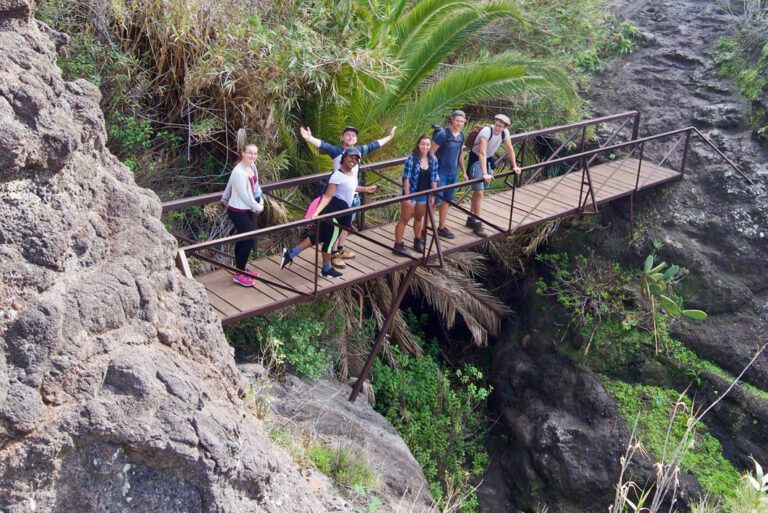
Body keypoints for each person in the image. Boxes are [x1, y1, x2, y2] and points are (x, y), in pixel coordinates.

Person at [299, 124, 396, 268]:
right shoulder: (337, 152)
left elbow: (374, 145)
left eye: (354, 135)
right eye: (348, 135)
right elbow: (323, 145)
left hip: (353, 196)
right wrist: (310, 138)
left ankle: (339, 249)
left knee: (346, 225)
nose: (351, 137)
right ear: (342, 138)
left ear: (356, 139)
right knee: (335, 227)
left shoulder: (359, 151)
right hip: (338, 197)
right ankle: (332, 255)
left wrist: (389, 137)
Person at [280, 148, 378, 278]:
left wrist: (365, 189)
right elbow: (327, 196)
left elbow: (349, 187)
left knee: (319, 237)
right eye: (351, 157)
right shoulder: (337, 175)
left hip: (343, 211)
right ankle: (326, 270)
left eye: (356, 159)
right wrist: (316, 213)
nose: (353, 161)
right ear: (344, 158)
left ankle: (290, 254)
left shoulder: (351, 174)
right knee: (330, 242)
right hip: (335, 212)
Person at [466, 113, 521, 237]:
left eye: (501, 126)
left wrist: (514, 166)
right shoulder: (486, 131)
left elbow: (510, 149)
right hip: (476, 160)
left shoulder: (504, 133)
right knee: (479, 191)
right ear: (494, 123)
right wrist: (484, 173)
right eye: (496, 124)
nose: (497, 128)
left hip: (488, 160)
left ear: (505, 127)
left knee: (479, 191)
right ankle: (478, 222)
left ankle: (471, 217)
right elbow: (481, 152)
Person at [221, 143, 264, 287]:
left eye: (255, 154)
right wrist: (257, 207)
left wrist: (260, 201)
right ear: (243, 153)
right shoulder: (238, 172)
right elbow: (244, 195)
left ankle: (240, 268)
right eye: (250, 153)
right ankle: (239, 273)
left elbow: (256, 187)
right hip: (238, 210)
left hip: (248, 209)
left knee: (242, 239)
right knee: (249, 240)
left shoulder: (252, 167)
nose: (252, 156)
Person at [393, 135, 438, 255]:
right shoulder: (411, 159)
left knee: (419, 218)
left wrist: (433, 195)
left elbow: (434, 178)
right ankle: (398, 244)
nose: (425, 147)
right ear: (418, 144)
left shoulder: (433, 160)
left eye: (428, 144)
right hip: (411, 193)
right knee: (405, 219)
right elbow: (406, 178)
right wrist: (407, 196)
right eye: (423, 144)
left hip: (424, 193)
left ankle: (417, 240)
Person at [431, 110, 467, 239]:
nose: (459, 123)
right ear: (452, 120)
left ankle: (441, 227)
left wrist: (463, 171)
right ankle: (424, 228)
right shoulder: (442, 134)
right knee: (435, 201)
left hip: (453, 173)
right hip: (441, 173)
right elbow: (431, 153)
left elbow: (460, 154)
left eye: (462, 122)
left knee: (447, 201)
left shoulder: (461, 136)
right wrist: (434, 172)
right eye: (457, 120)